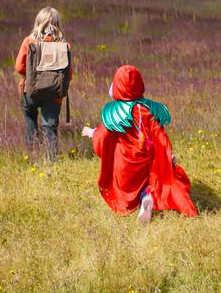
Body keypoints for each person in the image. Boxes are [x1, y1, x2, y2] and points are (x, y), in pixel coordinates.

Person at [82, 65, 197, 223]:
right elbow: (159, 135)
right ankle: (147, 197)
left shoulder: (114, 113)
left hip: (125, 162)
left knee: (127, 186)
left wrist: (90, 133)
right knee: (151, 178)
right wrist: (167, 154)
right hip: (147, 157)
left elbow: (102, 136)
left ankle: (141, 201)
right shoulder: (149, 109)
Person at [15, 6, 71, 160]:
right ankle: (52, 160)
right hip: (54, 94)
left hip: (30, 91)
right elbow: (69, 74)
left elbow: (19, 67)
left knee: (30, 121)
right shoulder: (64, 46)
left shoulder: (29, 41)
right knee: (50, 127)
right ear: (58, 23)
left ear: (38, 22)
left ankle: (30, 158)